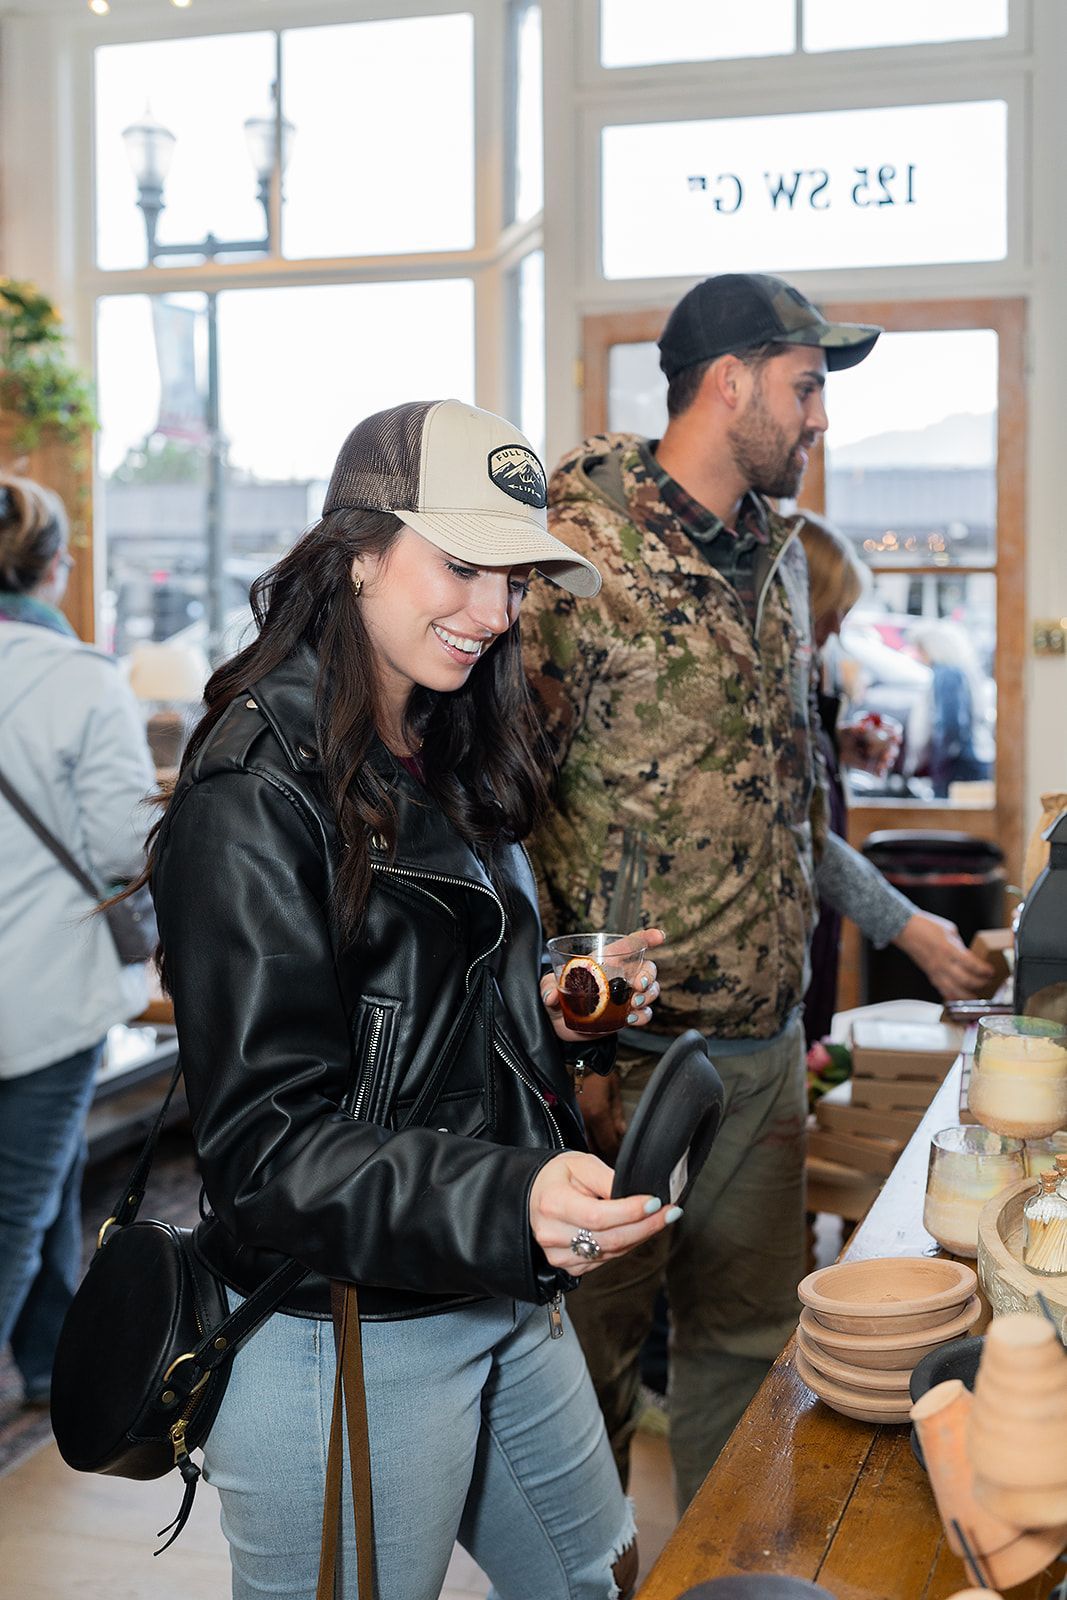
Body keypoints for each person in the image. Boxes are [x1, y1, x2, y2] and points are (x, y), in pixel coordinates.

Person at [146, 399, 676, 1600]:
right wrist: (512, 1192)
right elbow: (268, 1150)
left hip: (487, 1280)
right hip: (339, 1330)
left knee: (591, 1576)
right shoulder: (251, 789)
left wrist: (550, 1008)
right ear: (359, 549)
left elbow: (404, 1016)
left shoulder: (433, 741)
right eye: (462, 564)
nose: (495, 613)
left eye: (516, 578)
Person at [521, 272, 992, 1509]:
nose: (818, 419)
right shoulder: (573, 550)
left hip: (759, 1049)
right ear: (725, 383)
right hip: (617, 1064)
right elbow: (495, 810)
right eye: (804, 387)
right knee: (585, 1374)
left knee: (742, 1358)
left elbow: (788, 812)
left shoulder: (778, 569)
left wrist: (911, 927)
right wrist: (575, 1040)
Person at [0, 473, 154, 1405]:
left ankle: (51, 1360)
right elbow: (120, 844)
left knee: (44, 1183)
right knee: (15, 1211)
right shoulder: (81, 683)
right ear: (55, 569)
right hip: (42, 997)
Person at [796, 512, 992, 1044]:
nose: (837, 627)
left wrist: (842, 743)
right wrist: (905, 925)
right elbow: (795, 829)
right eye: (830, 611)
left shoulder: (812, 665)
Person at [912, 619, 994, 798]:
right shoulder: (960, 671)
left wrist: (939, 762)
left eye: (920, 649)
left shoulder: (947, 674)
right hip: (971, 758)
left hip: (958, 764)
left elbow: (951, 724)